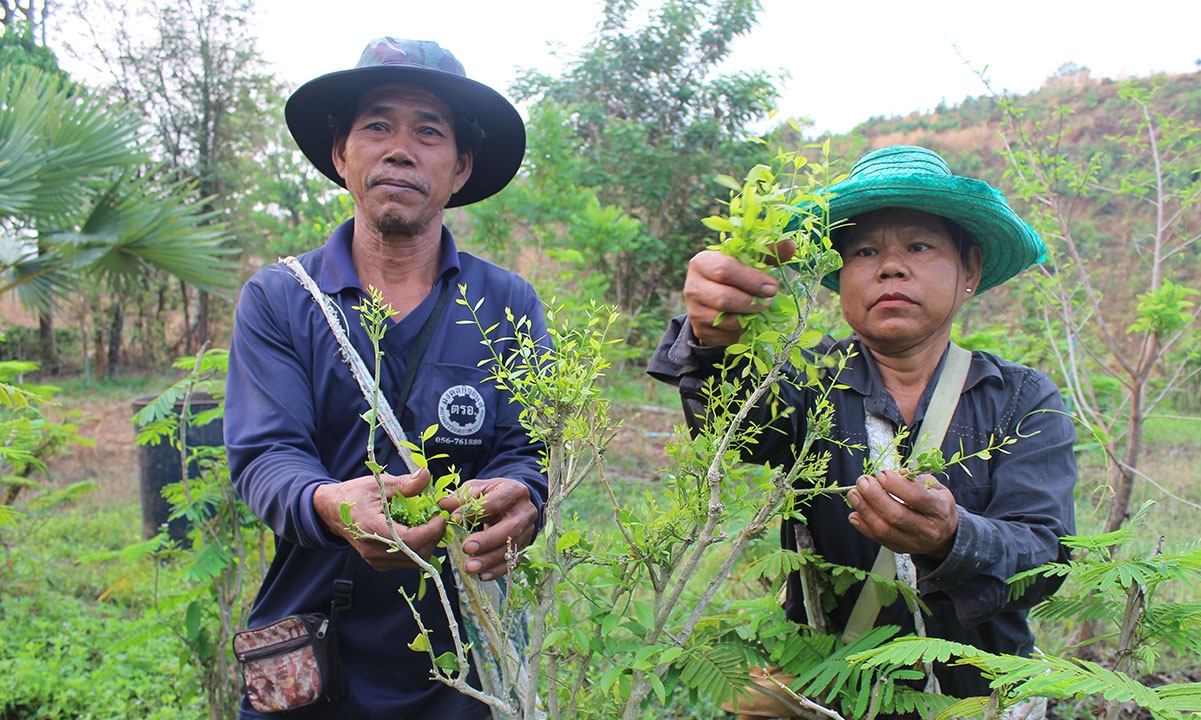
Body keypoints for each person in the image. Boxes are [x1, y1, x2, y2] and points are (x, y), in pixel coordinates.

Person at [648, 145, 1077, 715]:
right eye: (866, 250)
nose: (891, 266)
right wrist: (715, 336)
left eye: (919, 246)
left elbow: (1045, 556)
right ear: (839, 274)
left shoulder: (1022, 399)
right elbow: (732, 419)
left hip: (976, 698)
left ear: (968, 269)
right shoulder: (806, 378)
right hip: (825, 689)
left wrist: (955, 539)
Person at [225, 38, 546, 719]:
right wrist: (334, 506)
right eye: (377, 125)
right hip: (311, 654)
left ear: (460, 167)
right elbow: (264, 457)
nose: (400, 148)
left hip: (467, 658)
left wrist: (524, 498)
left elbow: (528, 450)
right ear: (342, 154)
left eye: (429, 131)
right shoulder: (282, 297)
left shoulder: (506, 304)